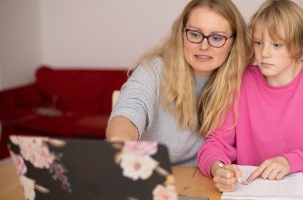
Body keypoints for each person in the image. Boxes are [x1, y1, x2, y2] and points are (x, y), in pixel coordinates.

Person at [197, 0, 303, 191]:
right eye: (258, 43)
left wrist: (289, 162)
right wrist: (219, 169)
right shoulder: (242, 80)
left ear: (297, 45)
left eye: (276, 44)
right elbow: (215, 144)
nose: (264, 53)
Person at [106, 0, 249, 166]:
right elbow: (130, 110)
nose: (204, 46)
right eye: (195, 34)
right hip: (150, 175)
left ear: (233, 42)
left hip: (204, 181)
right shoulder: (153, 70)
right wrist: (121, 141)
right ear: (182, 34)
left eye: (217, 38)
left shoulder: (242, 81)